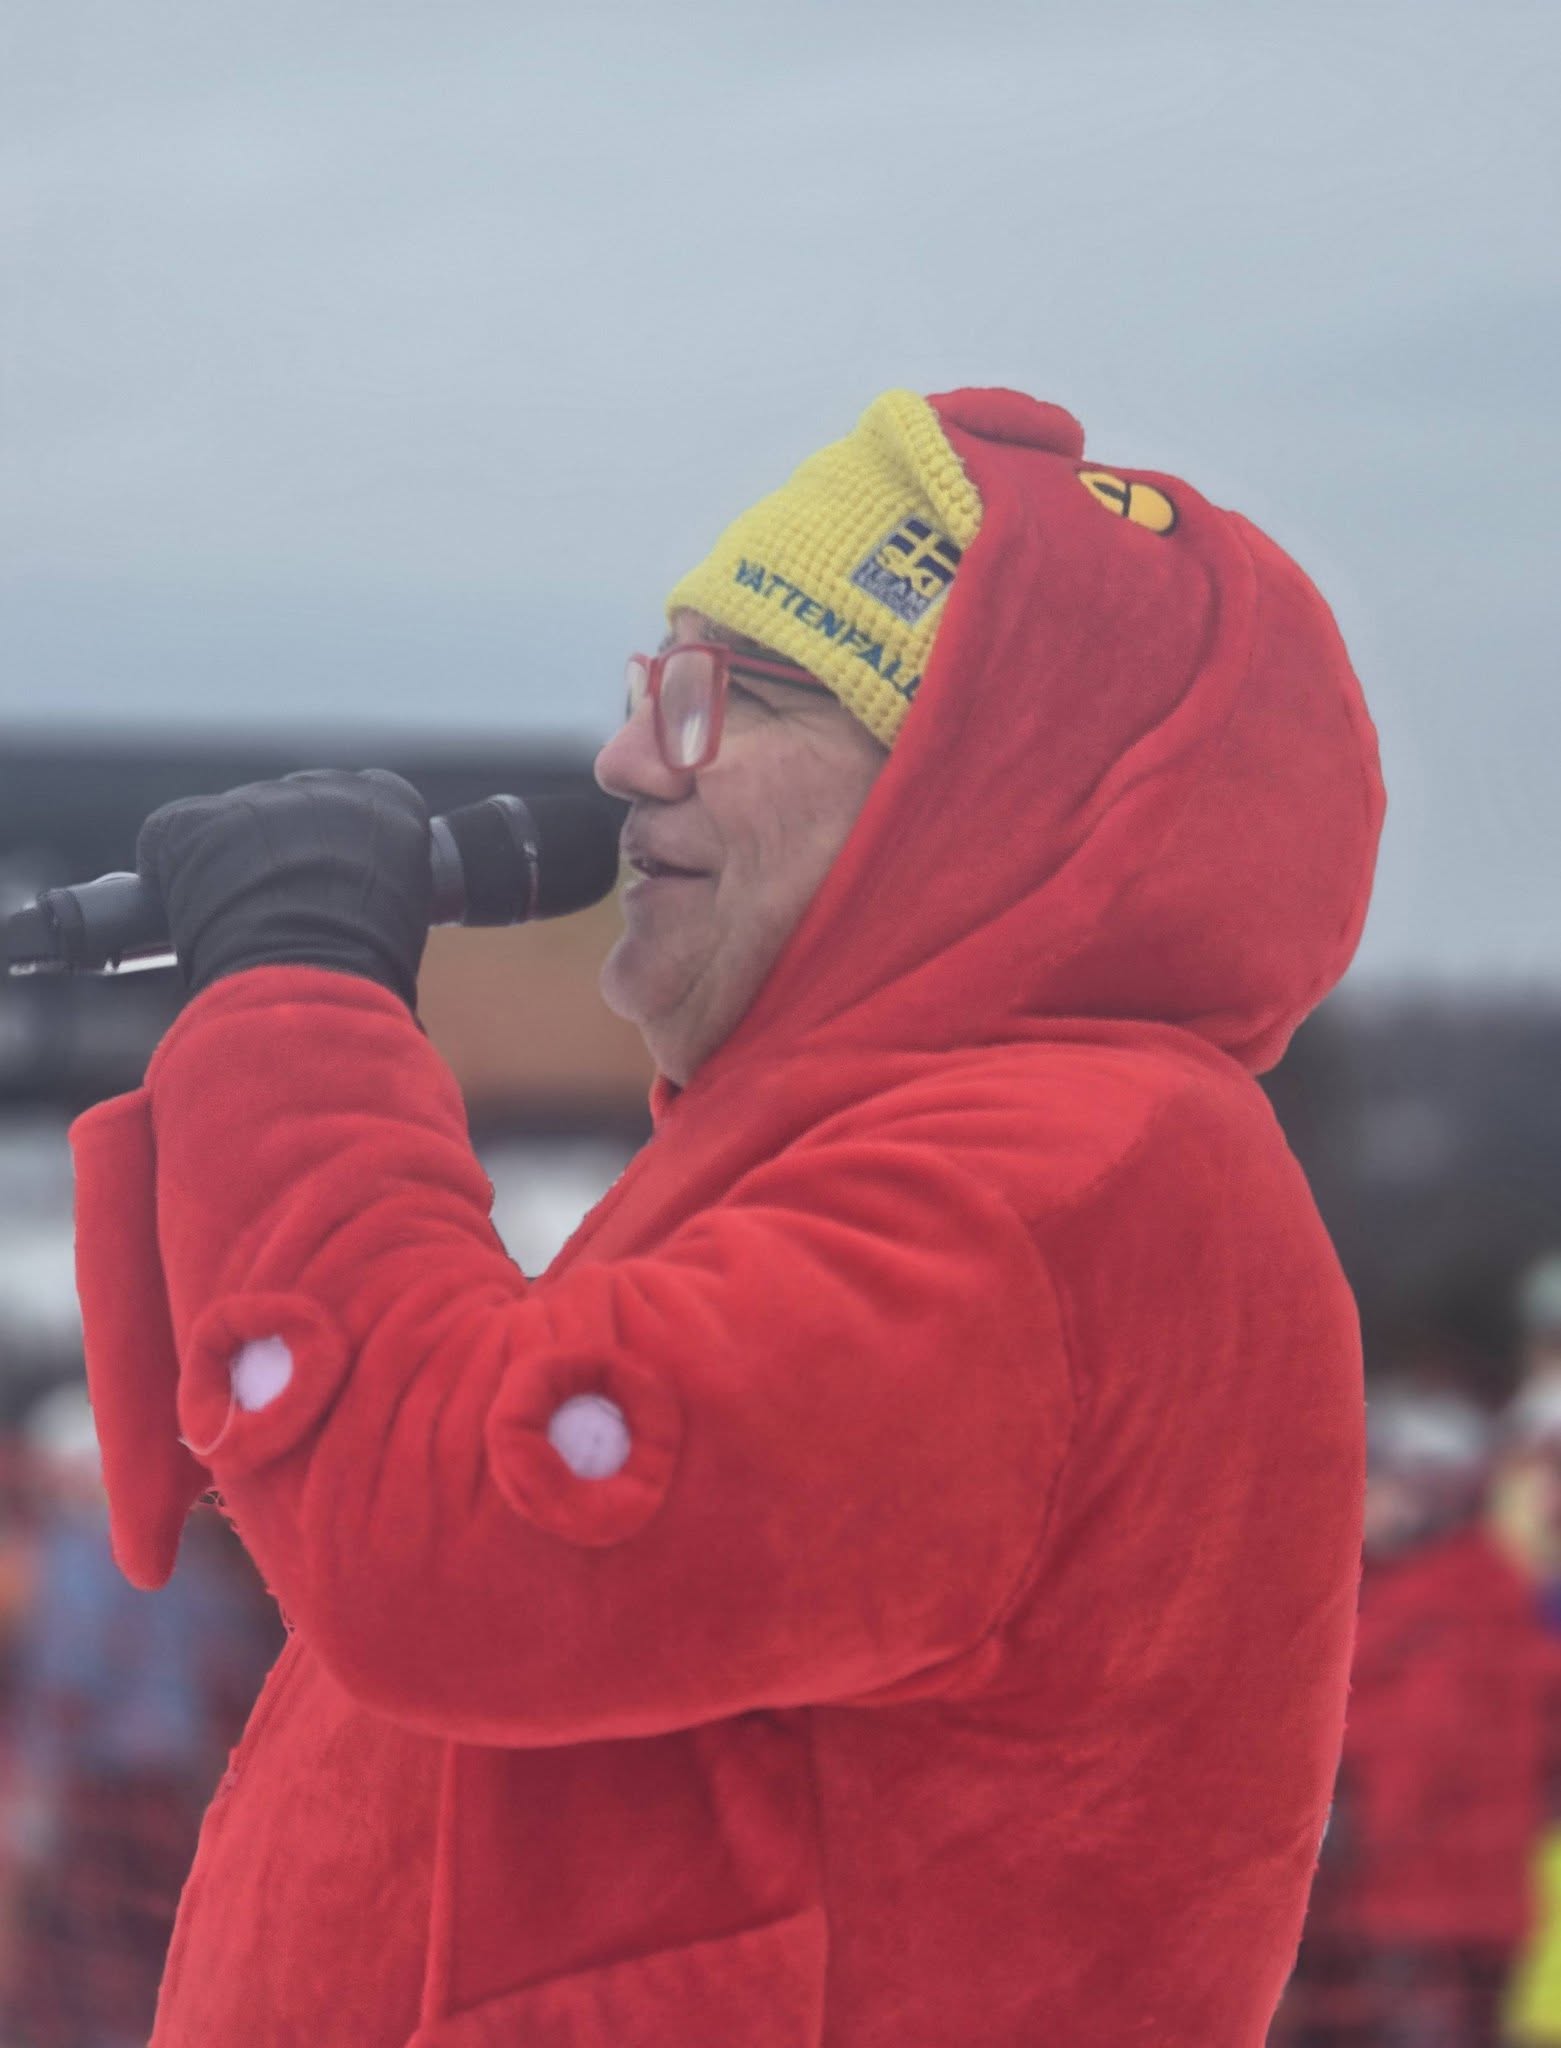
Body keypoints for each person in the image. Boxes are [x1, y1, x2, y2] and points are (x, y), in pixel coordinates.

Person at [69, 386, 1385, 2044]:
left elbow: (470, 1549)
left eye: (726, 699)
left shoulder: (1068, 1177)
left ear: (973, 781)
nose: (626, 762)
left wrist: (296, 1003)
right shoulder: (906, 1151)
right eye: (649, 687)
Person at [1274, 1383, 1554, 2046]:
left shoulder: (1456, 1604)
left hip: (1423, 1906)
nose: (1366, 1499)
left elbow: (1423, 1750)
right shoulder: (1393, 1590)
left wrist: (1321, 1818)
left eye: (1382, 1482)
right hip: (1396, 1905)